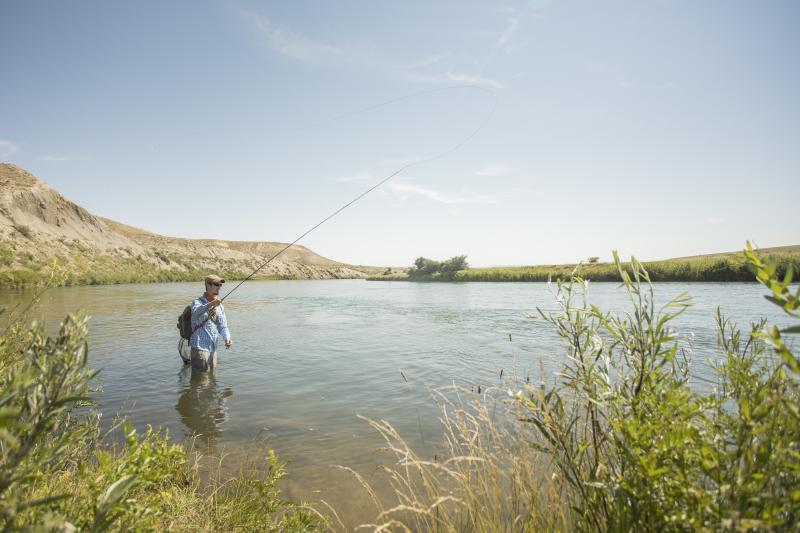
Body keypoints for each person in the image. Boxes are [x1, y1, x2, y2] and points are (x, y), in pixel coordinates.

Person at [189, 274, 233, 371]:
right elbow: (197, 313)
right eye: (216, 284)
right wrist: (211, 304)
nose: (219, 287)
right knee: (201, 382)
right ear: (208, 285)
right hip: (199, 348)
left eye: (220, 285)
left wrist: (227, 337)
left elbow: (223, 325)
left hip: (213, 349)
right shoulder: (197, 302)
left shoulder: (220, 306)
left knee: (213, 381)